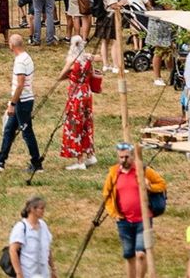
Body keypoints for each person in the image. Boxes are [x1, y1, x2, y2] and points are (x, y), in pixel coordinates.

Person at [103, 142, 167, 278]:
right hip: (124, 220)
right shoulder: (114, 173)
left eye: (126, 157)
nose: (123, 160)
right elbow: (107, 195)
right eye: (120, 157)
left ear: (133, 156)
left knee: (141, 254)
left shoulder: (143, 170)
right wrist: (113, 213)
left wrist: (150, 187)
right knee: (129, 255)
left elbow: (161, 183)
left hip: (143, 219)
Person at [0, 34, 43, 173]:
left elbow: (20, 85)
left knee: (27, 133)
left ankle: (36, 162)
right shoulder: (26, 57)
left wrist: (13, 104)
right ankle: (0, 160)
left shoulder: (20, 61)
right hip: (24, 100)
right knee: (9, 130)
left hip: (22, 102)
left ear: (12, 45)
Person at [58, 36, 97, 171]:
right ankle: (90, 154)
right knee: (87, 123)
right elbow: (91, 74)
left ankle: (80, 160)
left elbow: (60, 76)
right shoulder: (87, 59)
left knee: (76, 125)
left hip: (76, 95)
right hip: (87, 93)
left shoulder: (72, 60)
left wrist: (69, 73)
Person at [8, 196, 56, 278]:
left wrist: (53, 269)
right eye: (41, 208)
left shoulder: (43, 225)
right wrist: (19, 273)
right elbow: (13, 250)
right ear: (32, 209)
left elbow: (47, 249)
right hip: (28, 274)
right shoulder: (21, 227)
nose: (43, 211)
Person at [92, 0, 120, 71]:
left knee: (104, 41)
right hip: (110, 15)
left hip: (101, 15)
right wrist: (121, 3)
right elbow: (113, 5)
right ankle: (115, 65)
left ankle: (105, 64)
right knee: (114, 42)